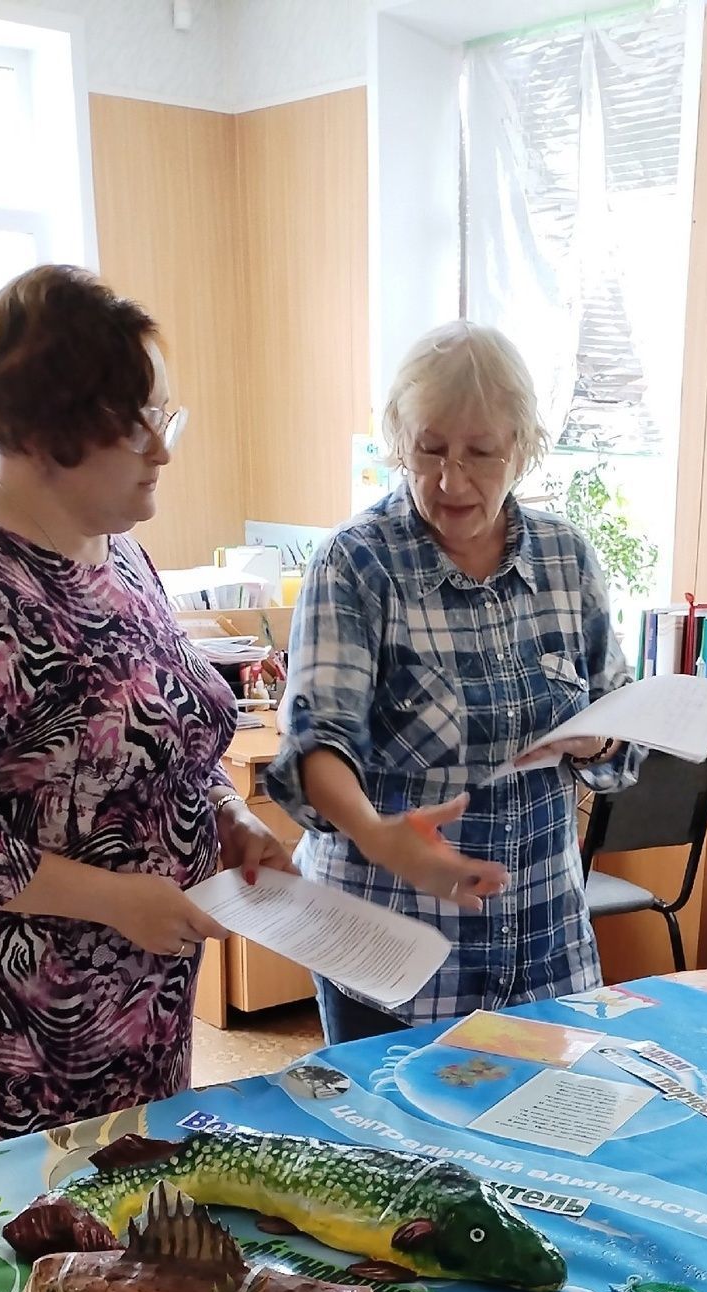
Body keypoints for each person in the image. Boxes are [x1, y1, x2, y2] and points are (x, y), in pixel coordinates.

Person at [0, 264, 290, 1163]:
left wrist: (227, 815)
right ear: (49, 436)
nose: (163, 450)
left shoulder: (115, 547)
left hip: (133, 992)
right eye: (136, 426)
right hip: (1, 1010)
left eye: (163, 416)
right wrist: (114, 900)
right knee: (21, 1226)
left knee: (126, 1212)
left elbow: (158, 729)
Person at [265, 320, 644, 1044]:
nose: (451, 480)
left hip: (543, 945)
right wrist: (380, 836)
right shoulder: (357, 563)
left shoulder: (566, 559)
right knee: (393, 1122)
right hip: (393, 957)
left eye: (481, 452)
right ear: (398, 442)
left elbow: (620, 732)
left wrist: (595, 741)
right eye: (430, 449)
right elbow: (316, 741)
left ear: (522, 449)